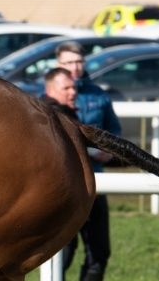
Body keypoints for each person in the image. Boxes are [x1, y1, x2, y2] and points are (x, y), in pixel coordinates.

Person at [54, 41, 120, 281]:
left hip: (95, 181)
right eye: (69, 62)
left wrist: (109, 151)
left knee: (99, 253)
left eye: (79, 61)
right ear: (58, 64)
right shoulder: (47, 98)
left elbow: (115, 131)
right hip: (63, 187)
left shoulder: (99, 95)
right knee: (63, 253)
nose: (75, 67)